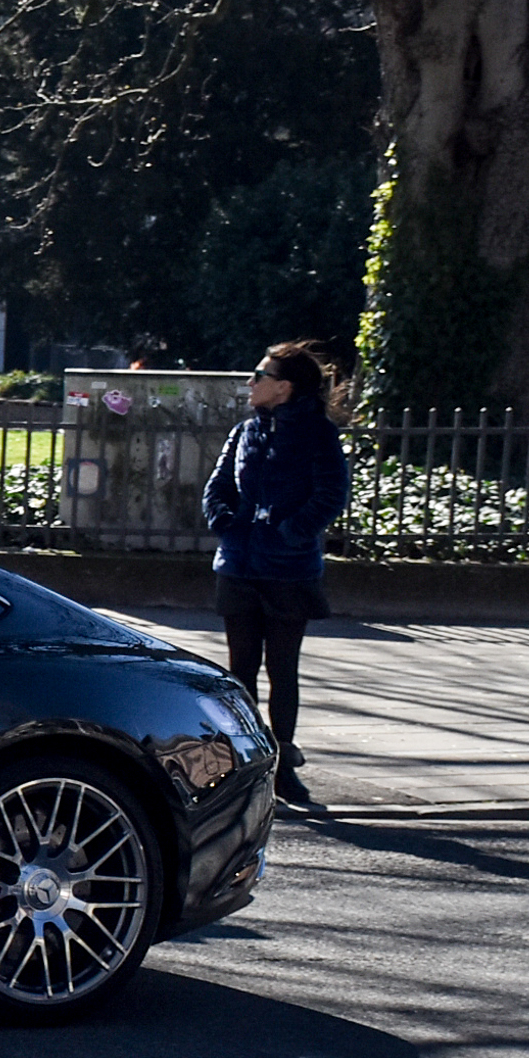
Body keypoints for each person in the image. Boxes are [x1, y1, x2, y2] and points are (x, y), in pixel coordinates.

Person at [202, 340, 351, 806]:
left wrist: (291, 531)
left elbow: (331, 494)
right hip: (240, 565)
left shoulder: (318, 434)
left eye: (259, 375)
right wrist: (223, 518)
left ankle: (283, 763)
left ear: (283, 388)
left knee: (282, 669)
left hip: (288, 570)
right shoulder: (246, 431)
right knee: (239, 669)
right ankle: (244, 763)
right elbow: (219, 483)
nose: (251, 383)